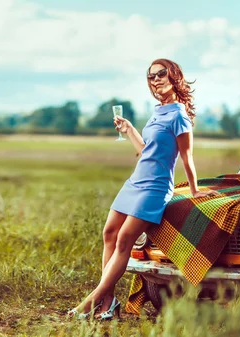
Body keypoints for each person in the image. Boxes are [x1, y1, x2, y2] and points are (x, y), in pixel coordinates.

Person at [67, 59, 219, 320]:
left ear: (174, 77)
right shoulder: (158, 111)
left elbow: (187, 157)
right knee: (109, 234)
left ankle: (91, 301)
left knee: (125, 239)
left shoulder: (179, 116)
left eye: (161, 74)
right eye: (151, 77)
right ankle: (108, 304)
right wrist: (129, 129)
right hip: (135, 181)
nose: (156, 79)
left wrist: (194, 190)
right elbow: (143, 151)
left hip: (156, 187)